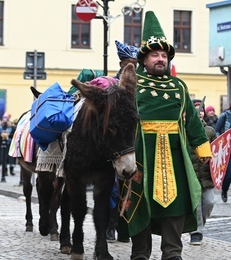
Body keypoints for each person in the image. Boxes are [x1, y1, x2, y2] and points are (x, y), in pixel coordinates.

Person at [119, 11, 211, 260]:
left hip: (175, 158)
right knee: (140, 205)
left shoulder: (179, 86)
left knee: (176, 205)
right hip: (141, 156)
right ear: (144, 59)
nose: (160, 59)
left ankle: (172, 253)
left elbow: (191, 119)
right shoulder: (132, 83)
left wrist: (203, 149)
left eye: (163, 55)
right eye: (154, 55)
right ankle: (140, 254)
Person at [106, 40, 138, 243]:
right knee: (112, 188)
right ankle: (110, 225)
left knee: (132, 190)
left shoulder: (141, 87)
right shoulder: (110, 85)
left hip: (134, 145)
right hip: (115, 147)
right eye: (128, 63)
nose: (132, 68)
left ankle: (127, 228)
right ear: (121, 65)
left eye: (135, 64)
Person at [189, 99, 216, 245]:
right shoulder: (185, 130)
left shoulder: (210, 131)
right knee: (197, 206)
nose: (199, 113)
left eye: (201, 110)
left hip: (207, 175)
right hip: (192, 175)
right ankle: (196, 232)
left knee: (209, 202)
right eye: (196, 109)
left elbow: (218, 152)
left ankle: (199, 226)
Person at [214, 91, 231, 205]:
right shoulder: (225, 115)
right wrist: (220, 141)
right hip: (227, 149)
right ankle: (224, 191)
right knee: (228, 174)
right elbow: (216, 130)